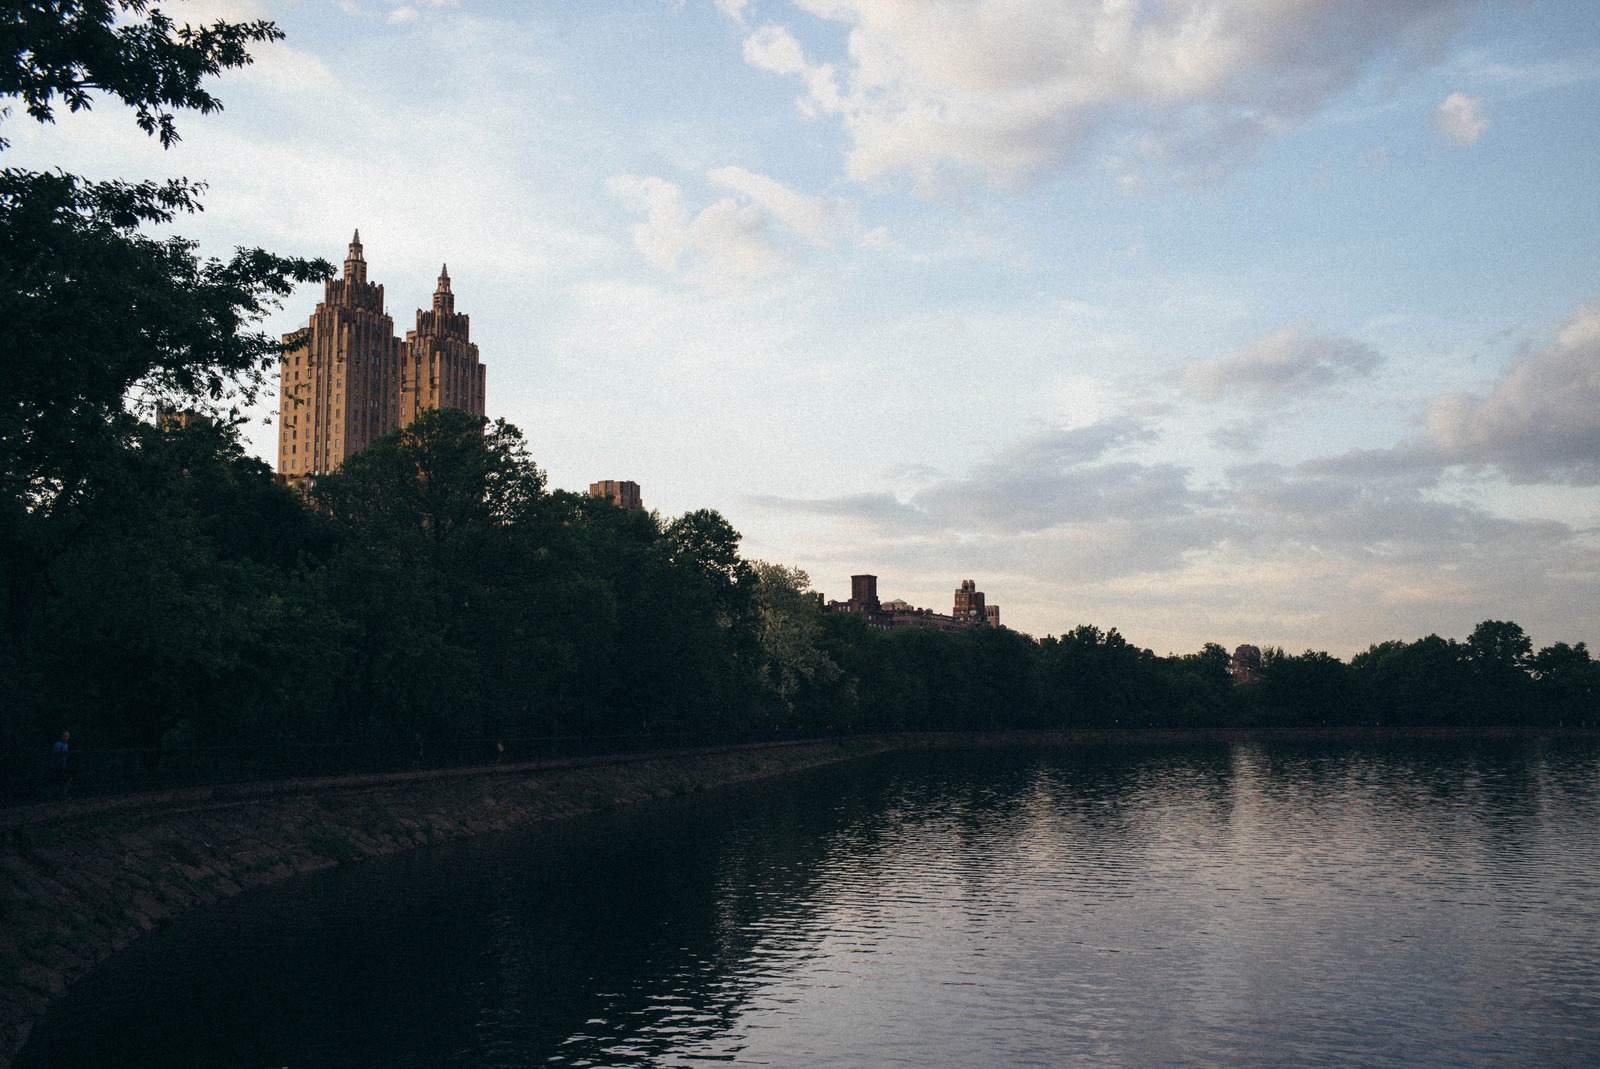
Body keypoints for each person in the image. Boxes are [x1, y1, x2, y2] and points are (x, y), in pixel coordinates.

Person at [50, 729, 71, 799]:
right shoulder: (57, 744)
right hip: (56, 766)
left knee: (63, 781)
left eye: (67, 736)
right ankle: (59, 795)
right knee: (57, 781)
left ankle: (61, 795)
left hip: (62, 766)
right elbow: (57, 754)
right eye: (65, 736)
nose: (66, 738)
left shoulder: (66, 745)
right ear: (61, 736)